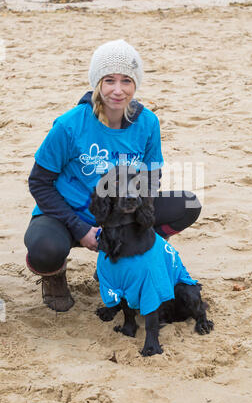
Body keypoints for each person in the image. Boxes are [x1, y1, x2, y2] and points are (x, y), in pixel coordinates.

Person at [24, 39, 201, 312]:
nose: (118, 90)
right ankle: (54, 277)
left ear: (135, 84)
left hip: (121, 213)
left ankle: (124, 257)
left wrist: (128, 221)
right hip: (68, 213)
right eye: (109, 80)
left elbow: (152, 180)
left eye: (126, 81)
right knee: (44, 249)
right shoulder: (69, 124)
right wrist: (80, 228)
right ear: (97, 83)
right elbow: (39, 182)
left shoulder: (148, 123)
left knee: (188, 204)